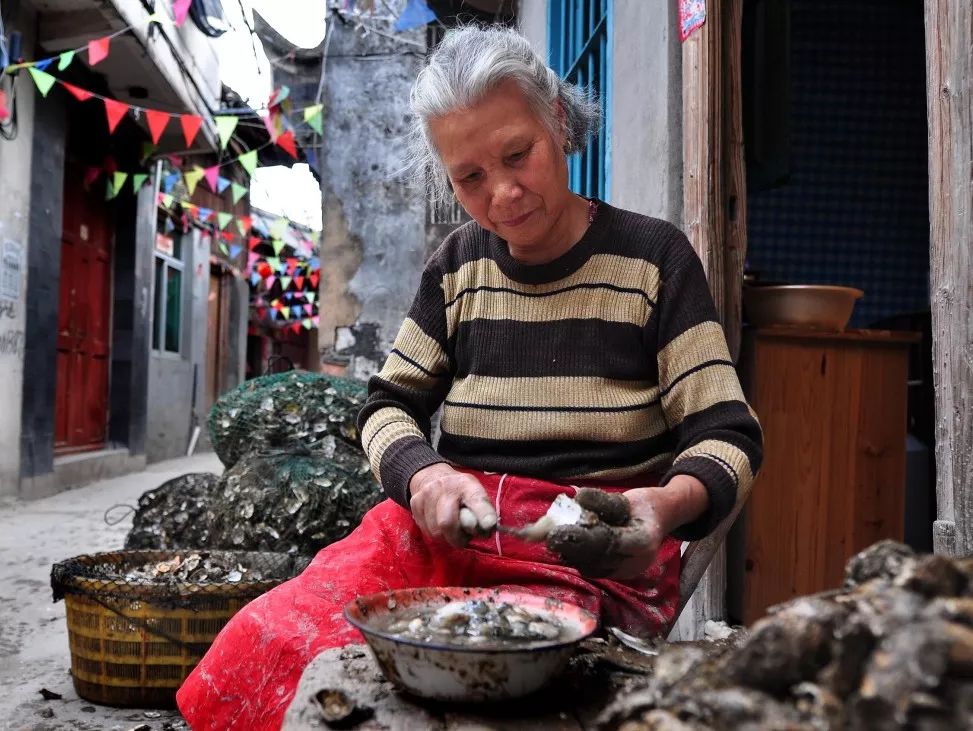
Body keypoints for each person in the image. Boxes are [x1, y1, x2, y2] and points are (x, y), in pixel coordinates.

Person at [177, 25, 762, 730]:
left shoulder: (652, 259)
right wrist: (425, 478)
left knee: (483, 681)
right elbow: (386, 405)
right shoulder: (458, 266)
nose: (504, 193)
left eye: (519, 154)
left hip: (582, 559)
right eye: (470, 177)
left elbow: (726, 432)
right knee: (270, 639)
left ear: (557, 119)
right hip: (449, 534)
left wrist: (663, 507)